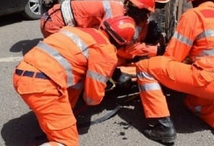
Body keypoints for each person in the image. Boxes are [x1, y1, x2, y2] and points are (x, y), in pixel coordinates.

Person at [133, 0, 214, 144]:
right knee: (192, 102)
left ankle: (162, 126)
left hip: (208, 78)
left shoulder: (194, 15)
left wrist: (149, 58)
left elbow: (173, 56)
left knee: (145, 68)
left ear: (192, 1)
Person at [13, 15, 136, 146]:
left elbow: (75, 74)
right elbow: (91, 98)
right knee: (67, 142)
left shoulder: (79, 31)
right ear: (122, 42)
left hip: (22, 73)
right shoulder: (105, 51)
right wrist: (105, 88)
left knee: (77, 82)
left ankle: (58, 118)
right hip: (42, 86)